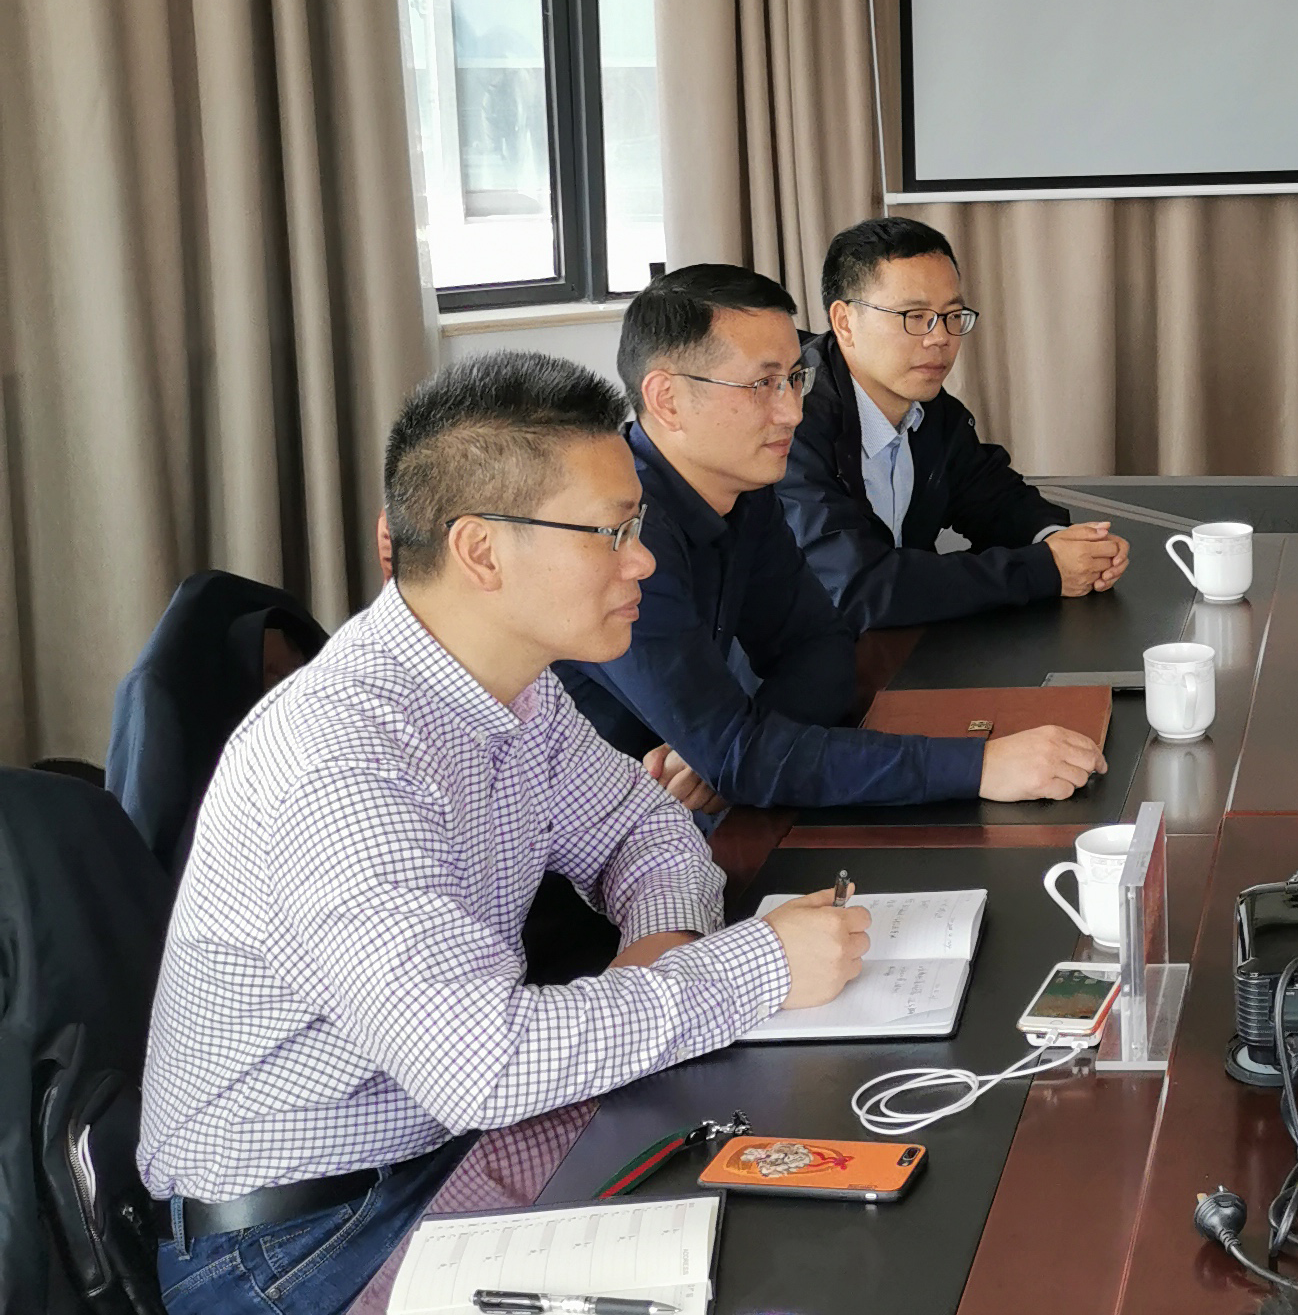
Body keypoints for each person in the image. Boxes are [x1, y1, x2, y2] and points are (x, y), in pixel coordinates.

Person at [136, 353, 872, 1315]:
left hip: (440, 1149)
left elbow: (645, 827)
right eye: (612, 532)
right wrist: (756, 967)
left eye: (638, 528)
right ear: (482, 551)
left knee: (793, 1210)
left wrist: (662, 951)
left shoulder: (515, 689)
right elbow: (485, 1067)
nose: (643, 561)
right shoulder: (342, 762)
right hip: (297, 1244)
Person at [559, 263, 1104, 811]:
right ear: (667, 399)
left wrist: (737, 751)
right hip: (585, 839)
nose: (792, 412)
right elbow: (742, 756)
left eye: (796, 378)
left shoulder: (743, 490)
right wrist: (977, 766)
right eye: (762, 385)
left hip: (672, 813)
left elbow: (821, 646)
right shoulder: (616, 537)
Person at [781, 216, 1127, 631]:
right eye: (914, 316)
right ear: (844, 322)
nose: (939, 337)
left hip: (900, 646)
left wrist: (1063, 543)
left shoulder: (930, 408)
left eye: (951, 315)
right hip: (798, 657)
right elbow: (855, 586)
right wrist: (1042, 570)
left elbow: (992, 497)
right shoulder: (791, 422)